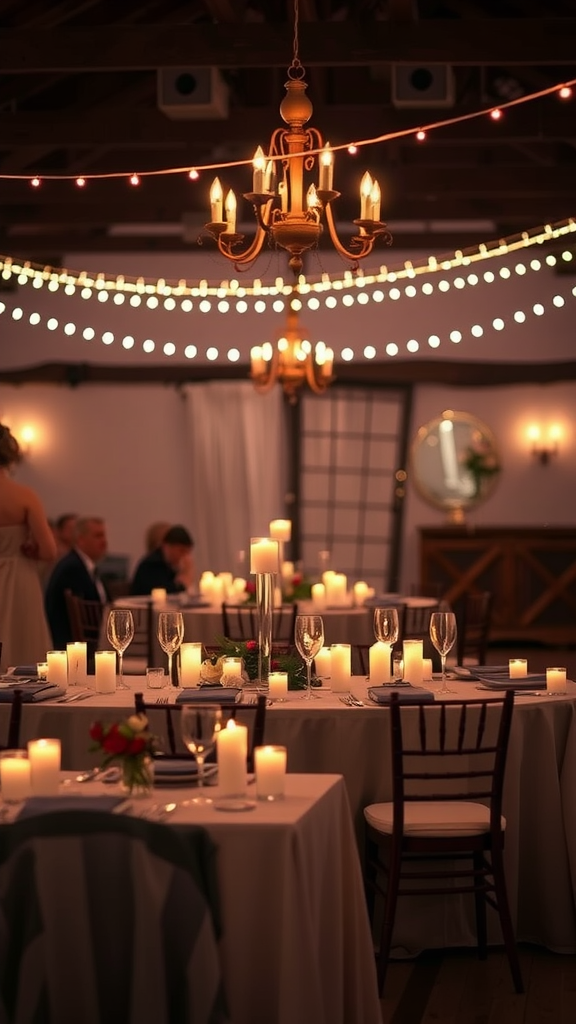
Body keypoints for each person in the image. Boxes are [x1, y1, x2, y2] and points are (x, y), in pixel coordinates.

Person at [0, 424, 56, 672]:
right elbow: (49, 551)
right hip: (19, 579)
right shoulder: (24, 496)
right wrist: (31, 549)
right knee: (23, 647)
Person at [44, 516, 108, 653]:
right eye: (98, 536)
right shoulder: (72, 569)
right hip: (76, 647)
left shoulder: (83, 565)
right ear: (81, 540)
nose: (104, 541)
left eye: (104, 535)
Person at [130, 524, 195, 596]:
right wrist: (182, 583)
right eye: (181, 551)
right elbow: (163, 593)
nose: (185, 556)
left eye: (188, 552)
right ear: (167, 546)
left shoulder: (170, 565)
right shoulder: (152, 564)